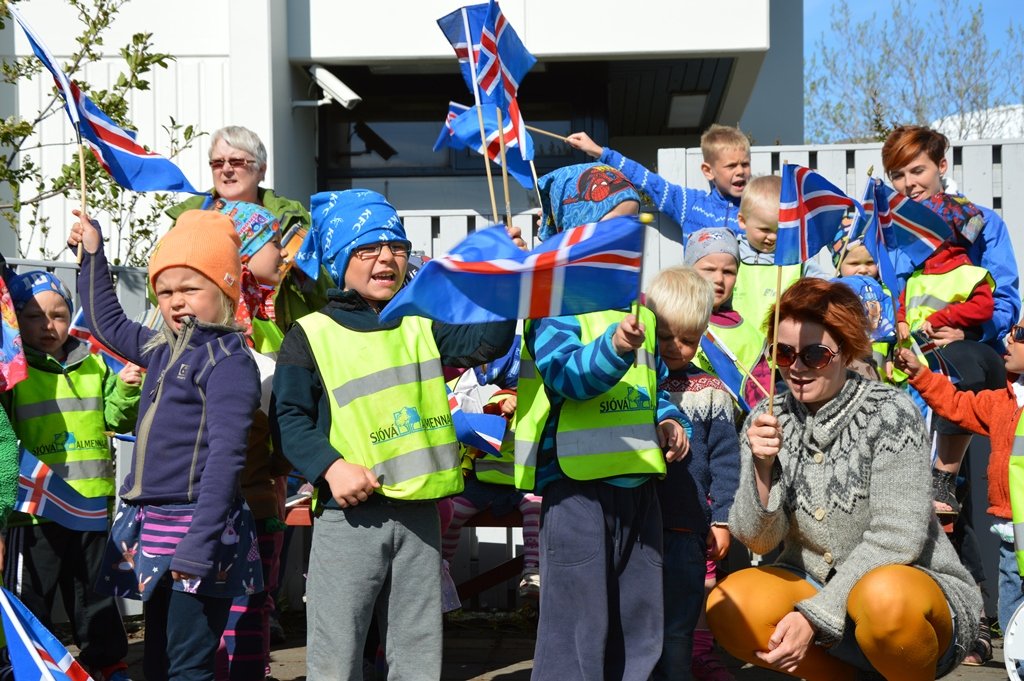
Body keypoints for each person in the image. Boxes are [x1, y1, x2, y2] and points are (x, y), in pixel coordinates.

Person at [271, 189, 516, 680]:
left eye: (396, 246)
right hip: (349, 519)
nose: (386, 256)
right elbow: (288, 420)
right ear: (340, 260)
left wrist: (503, 281)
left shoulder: (422, 319)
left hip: (421, 516)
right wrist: (330, 468)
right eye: (367, 248)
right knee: (336, 651)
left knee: (418, 650)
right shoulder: (310, 333)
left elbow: (489, 341)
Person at [706, 278, 981, 680]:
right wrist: (762, 469)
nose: (796, 368)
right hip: (811, 582)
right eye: (783, 353)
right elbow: (759, 539)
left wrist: (814, 616)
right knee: (728, 604)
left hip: (914, 595)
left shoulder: (890, 412)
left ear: (846, 350)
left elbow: (897, 538)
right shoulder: (767, 418)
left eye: (814, 355)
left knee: (883, 597)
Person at [68, 209, 263, 681]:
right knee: (155, 655)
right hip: (153, 525)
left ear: (225, 291)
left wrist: (200, 543)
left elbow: (225, 459)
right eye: (166, 290)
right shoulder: (161, 347)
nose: (176, 301)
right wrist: (94, 255)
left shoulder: (228, 361)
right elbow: (104, 321)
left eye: (190, 288)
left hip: (200, 528)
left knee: (187, 663)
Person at [515, 162, 691, 681]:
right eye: (613, 226)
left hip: (637, 482)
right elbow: (568, 378)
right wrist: (615, 347)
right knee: (577, 623)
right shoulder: (552, 307)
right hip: (576, 493)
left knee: (640, 619)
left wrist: (669, 420)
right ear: (578, 233)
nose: (627, 239)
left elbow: (651, 388)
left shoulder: (640, 309)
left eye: (633, 227)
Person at [3, 271, 140, 681]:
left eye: (59, 314)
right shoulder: (12, 371)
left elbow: (115, 418)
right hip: (35, 508)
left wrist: (128, 388)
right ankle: (29, 665)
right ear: (15, 321)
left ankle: (108, 663)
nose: (48, 326)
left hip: (90, 506)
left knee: (94, 596)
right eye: (33, 316)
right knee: (32, 597)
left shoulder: (94, 363)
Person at [896, 323, 1024, 671]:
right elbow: (955, 404)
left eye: (1022, 334)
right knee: (1014, 608)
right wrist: (922, 375)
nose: (1010, 338)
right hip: (1012, 532)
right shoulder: (1003, 401)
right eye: (1013, 330)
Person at [645, 266, 739, 681]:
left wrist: (721, 521)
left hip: (687, 528)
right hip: (637, 526)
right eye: (664, 337)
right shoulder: (636, 384)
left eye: (687, 339)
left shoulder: (712, 390)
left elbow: (725, 460)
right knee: (635, 621)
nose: (675, 348)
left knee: (679, 625)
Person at [211, 201, 292, 681]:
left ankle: (250, 669)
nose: (282, 254)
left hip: (266, 486)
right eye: (273, 242)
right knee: (230, 598)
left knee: (258, 594)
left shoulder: (263, 316)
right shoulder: (226, 328)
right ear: (242, 250)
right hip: (231, 491)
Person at [166, 125, 318, 330]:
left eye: (238, 162)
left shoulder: (292, 216)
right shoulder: (188, 218)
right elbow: (159, 282)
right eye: (217, 163)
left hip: (285, 332)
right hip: (207, 332)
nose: (227, 169)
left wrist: (305, 268)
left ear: (262, 170)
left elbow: (327, 284)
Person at [565, 126, 749, 237]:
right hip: (699, 300)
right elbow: (649, 182)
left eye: (745, 164)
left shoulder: (757, 206)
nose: (740, 171)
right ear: (708, 172)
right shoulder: (691, 205)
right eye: (731, 166)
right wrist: (600, 152)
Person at [684, 228, 771, 410]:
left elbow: (761, 401)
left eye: (728, 272)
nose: (719, 279)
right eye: (709, 269)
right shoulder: (669, 320)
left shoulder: (749, 336)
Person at [731, 175, 831, 329]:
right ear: (743, 221)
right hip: (736, 346)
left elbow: (825, 286)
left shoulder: (796, 258)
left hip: (781, 346)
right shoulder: (730, 253)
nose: (773, 237)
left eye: (780, 230)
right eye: (765, 229)